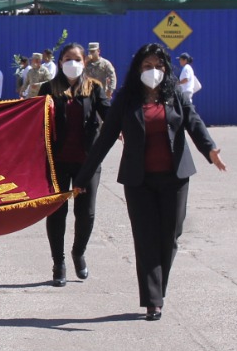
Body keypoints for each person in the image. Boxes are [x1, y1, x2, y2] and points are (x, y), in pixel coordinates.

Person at [76, 43, 226, 321]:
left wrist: (210, 148)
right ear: (137, 69)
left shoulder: (175, 94)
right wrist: (83, 176)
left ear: (166, 68)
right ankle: (153, 299)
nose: (153, 71)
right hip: (139, 180)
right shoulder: (126, 99)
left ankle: (158, 286)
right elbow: (105, 138)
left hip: (175, 178)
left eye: (158, 66)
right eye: (147, 66)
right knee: (146, 239)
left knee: (170, 236)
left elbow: (193, 122)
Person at [39, 43, 109, 286]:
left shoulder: (94, 88)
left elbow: (109, 114)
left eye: (77, 59)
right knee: (57, 212)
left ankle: (78, 253)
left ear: (85, 62)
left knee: (86, 213)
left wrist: (124, 128)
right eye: (67, 58)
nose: (73, 63)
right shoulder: (48, 88)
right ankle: (58, 263)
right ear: (59, 62)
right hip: (57, 161)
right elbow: (33, 120)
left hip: (87, 162)